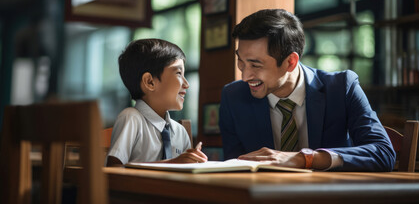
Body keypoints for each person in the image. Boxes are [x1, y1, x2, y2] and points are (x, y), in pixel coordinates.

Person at [218, 9, 395, 171]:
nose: (245, 76)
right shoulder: (233, 97)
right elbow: (234, 167)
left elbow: (383, 153)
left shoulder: (341, 88)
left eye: (255, 65)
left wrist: (305, 159)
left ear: (290, 62)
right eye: (241, 61)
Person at [106, 39, 207, 167]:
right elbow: (113, 169)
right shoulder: (131, 117)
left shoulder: (180, 132)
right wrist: (172, 163)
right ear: (150, 82)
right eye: (179, 73)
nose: (186, 84)